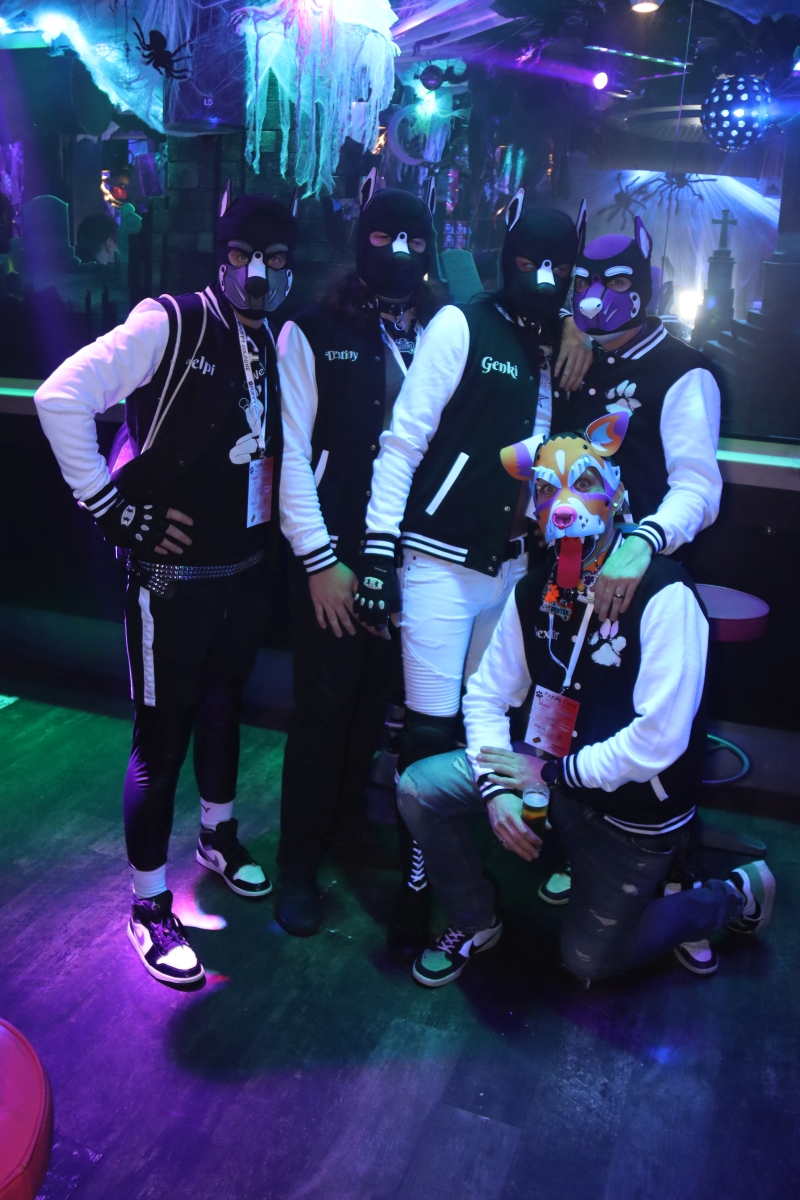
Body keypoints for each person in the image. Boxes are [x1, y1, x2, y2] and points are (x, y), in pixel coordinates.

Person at [397, 419, 775, 988]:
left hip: (631, 813)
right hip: (556, 781)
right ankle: (475, 920)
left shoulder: (666, 594)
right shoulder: (535, 591)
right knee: (419, 788)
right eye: (546, 490)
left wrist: (550, 774)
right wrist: (497, 789)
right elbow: (487, 695)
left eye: (585, 483)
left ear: (616, 495)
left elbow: (657, 741)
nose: (564, 505)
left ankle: (728, 895)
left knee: (588, 962)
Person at [35, 190, 298, 986]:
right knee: (161, 736)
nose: (259, 273)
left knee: (223, 709)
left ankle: (217, 834)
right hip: (169, 579)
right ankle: (149, 904)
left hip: (242, 572)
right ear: (222, 256)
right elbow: (59, 396)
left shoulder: (276, 338)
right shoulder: (171, 321)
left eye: (276, 259)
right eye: (245, 256)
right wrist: (112, 509)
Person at [354, 188, 593, 961]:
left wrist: (572, 326)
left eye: (558, 267)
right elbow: (403, 441)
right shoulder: (463, 324)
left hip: (513, 569)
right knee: (428, 736)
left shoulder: (554, 343)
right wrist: (379, 552)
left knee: (485, 730)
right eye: (528, 262)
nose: (542, 278)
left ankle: (467, 883)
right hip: (436, 562)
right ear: (505, 259)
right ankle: (418, 891)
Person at [537, 214, 723, 934]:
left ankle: (679, 880)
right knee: (569, 705)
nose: (597, 295)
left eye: (617, 282)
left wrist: (644, 540)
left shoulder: (683, 370)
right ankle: (572, 843)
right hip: (567, 568)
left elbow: (697, 486)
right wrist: (569, 330)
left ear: (644, 288)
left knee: (652, 722)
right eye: (586, 282)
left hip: (643, 577)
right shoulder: (575, 357)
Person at [274, 172, 441, 936]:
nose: (399, 251)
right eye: (383, 237)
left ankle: (345, 829)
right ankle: (297, 863)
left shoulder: (444, 328)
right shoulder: (311, 329)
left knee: (374, 706)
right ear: (358, 242)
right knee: (322, 712)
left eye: (413, 240)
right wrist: (318, 562)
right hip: (333, 551)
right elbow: (290, 456)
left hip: (409, 556)